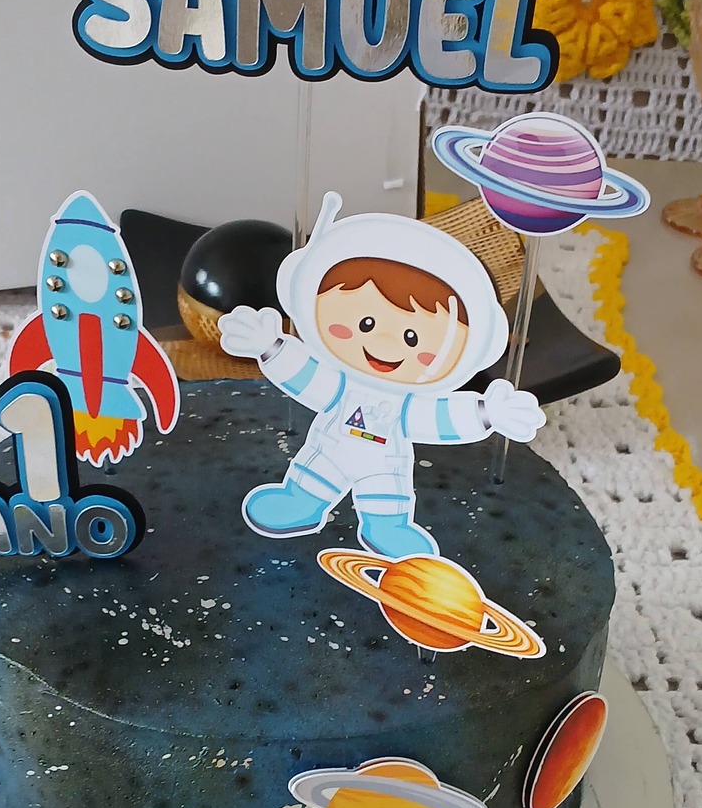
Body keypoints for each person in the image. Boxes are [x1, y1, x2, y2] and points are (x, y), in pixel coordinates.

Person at [220, 193, 545, 560]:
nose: (385, 344)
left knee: (387, 498)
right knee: (313, 478)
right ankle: (301, 501)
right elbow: (307, 376)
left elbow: (438, 417)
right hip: (329, 449)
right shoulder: (340, 383)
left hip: (385, 464)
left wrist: (488, 413)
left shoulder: (409, 404)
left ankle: (387, 527)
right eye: (365, 323)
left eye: (413, 337)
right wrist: (270, 347)